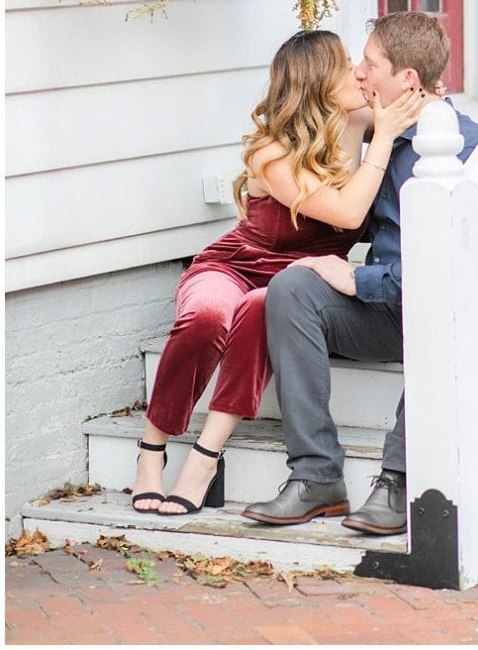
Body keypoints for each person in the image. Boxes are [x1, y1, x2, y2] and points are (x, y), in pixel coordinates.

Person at [128, 30, 424, 514]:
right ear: (316, 83)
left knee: (264, 307)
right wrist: (384, 139)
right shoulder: (274, 154)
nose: (358, 73)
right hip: (236, 266)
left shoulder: (362, 122)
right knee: (206, 319)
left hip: (295, 283)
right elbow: (348, 214)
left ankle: (205, 458)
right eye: (347, 64)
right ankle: (151, 449)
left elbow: (419, 103)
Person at [241, 11, 478, 534]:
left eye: (368, 63)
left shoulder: (469, 150)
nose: (358, 73)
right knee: (293, 289)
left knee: (436, 316)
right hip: (388, 311)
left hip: (451, 315)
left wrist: (357, 279)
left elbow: (454, 278)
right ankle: (315, 477)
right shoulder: (381, 134)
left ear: (408, 81)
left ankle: (398, 481)